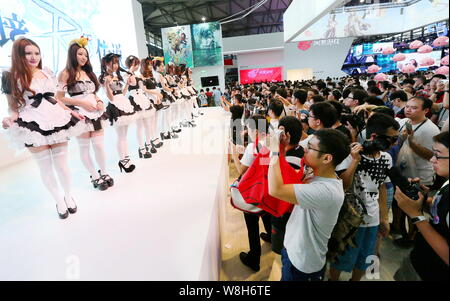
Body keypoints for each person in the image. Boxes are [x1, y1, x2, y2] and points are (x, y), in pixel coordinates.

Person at [1, 38, 86, 219]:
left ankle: (68, 195)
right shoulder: (10, 76)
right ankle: (59, 200)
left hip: (56, 119)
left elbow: (55, 98)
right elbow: (13, 106)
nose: (34, 57)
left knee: (62, 165)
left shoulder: (47, 72)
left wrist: (71, 112)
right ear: (19, 55)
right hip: (31, 122)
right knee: (45, 167)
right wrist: (11, 119)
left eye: (37, 53)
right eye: (28, 53)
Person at [267, 128, 351, 281]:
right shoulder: (317, 173)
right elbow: (284, 174)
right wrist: (282, 149)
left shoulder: (326, 191)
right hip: (295, 251)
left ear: (326, 158)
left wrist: (273, 151)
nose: (304, 149)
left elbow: (275, 189)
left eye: (310, 147)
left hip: (302, 263)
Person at [330, 113, 400, 281]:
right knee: (341, 255)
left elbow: (382, 187)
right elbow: (343, 185)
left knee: (367, 257)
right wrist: (354, 161)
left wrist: (384, 217)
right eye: (392, 139)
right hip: (349, 219)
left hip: (372, 218)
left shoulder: (386, 158)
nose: (395, 143)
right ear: (374, 136)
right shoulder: (350, 154)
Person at [57, 37, 113, 191]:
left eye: (86, 55)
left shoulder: (88, 72)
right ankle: (95, 176)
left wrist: (99, 100)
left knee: (99, 146)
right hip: (80, 114)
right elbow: (59, 98)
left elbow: (92, 93)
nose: (84, 58)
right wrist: (81, 103)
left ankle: (105, 173)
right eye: (80, 54)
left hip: (95, 112)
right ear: (72, 54)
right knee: (84, 148)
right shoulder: (65, 73)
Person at [394, 131, 449, 281]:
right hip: (422, 260)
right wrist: (424, 201)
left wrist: (416, 215)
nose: (432, 160)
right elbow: (440, 218)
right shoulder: (446, 182)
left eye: (437, 155)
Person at [230, 115, 272, 272]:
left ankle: (254, 258)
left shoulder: (252, 147)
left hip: (253, 192)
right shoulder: (272, 141)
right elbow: (264, 164)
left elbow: (242, 170)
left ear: (255, 130)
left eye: (248, 128)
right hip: (268, 188)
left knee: (252, 227)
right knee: (267, 214)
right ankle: (271, 236)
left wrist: (234, 154)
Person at [100, 53, 137, 173]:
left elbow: (123, 92)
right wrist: (106, 85)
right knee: (121, 135)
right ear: (106, 63)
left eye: (116, 63)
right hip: (115, 105)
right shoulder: (104, 78)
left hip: (123, 102)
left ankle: (126, 158)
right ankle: (123, 160)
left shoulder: (117, 76)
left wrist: (126, 83)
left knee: (124, 135)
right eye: (113, 63)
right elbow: (110, 98)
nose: (116, 65)